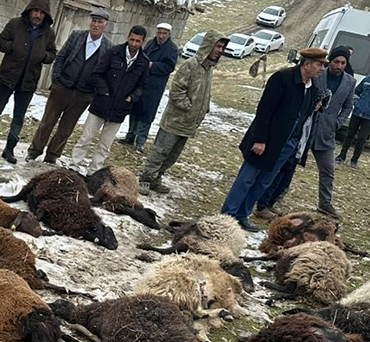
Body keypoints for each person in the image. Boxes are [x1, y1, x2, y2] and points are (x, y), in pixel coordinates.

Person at [220, 47, 326, 232]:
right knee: (247, 179)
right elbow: (265, 110)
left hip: (288, 144)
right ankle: (228, 216)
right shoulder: (283, 78)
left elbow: (304, 117)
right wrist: (260, 140)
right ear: (307, 64)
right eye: (319, 64)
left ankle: (242, 215)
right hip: (267, 141)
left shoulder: (312, 88)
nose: (322, 69)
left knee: (264, 182)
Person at [254, 45, 354, 219]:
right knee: (286, 166)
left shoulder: (349, 82)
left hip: (326, 132)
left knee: (328, 169)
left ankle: (325, 203)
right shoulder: (318, 73)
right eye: (336, 61)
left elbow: (348, 106)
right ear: (329, 62)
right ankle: (268, 202)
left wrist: (337, 123)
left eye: (343, 63)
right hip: (304, 128)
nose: (339, 66)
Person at [139, 32, 226, 193]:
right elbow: (177, 90)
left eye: (222, 47)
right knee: (161, 150)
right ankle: (146, 178)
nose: (220, 50)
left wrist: (203, 109)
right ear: (208, 45)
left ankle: (157, 178)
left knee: (173, 155)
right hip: (175, 120)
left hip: (189, 123)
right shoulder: (190, 65)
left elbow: (203, 92)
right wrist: (188, 107)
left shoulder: (209, 69)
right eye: (218, 46)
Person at [0, 0, 55, 164]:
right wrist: (12, 46)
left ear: (45, 15)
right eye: (35, 11)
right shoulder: (15, 24)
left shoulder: (48, 33)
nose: (37, 15)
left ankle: (9, 149)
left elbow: (52, 53)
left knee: (19, 116)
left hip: (28, 82)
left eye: (41, 12)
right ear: (30, 11)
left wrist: (43, 56)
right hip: (7, 77)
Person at [26, 9, 111, 164]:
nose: (96, 25)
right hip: (62, 88)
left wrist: (91, 93)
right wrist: (57, 80)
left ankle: (52, 156)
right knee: (47, 122)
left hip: (83, 95)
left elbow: (104, 73)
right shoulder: (77, 36)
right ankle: (34, 151)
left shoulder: (108, 48)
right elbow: (61, 57)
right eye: (94, 21)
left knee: (66, 128)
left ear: (105, 25)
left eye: (100, 22)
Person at [71, 26, 149, 174]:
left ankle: (94, 172)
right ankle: (74, 165)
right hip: (101, 103)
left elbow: (142, 86)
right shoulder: (113, 52)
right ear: (128, 37)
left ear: (143, 42)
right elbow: (97, 73)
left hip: (120, 108)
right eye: (132, 39)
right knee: (86, 137)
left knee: (105, 145)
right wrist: (103, 91)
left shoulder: (143, 62)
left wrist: (132, 97)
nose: (133, 44)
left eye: (137, 41)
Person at [118, 21, 177, 150]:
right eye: (159, 33)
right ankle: (130, 136)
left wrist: (152, 65)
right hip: (141, 82)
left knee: (147, 114)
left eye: (164, 33)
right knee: (135, 109)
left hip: (155, 86)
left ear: (169, 34)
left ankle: (141, 141)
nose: (161, 36)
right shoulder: (150, 43)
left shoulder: (172, 49)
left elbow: (169, 67)